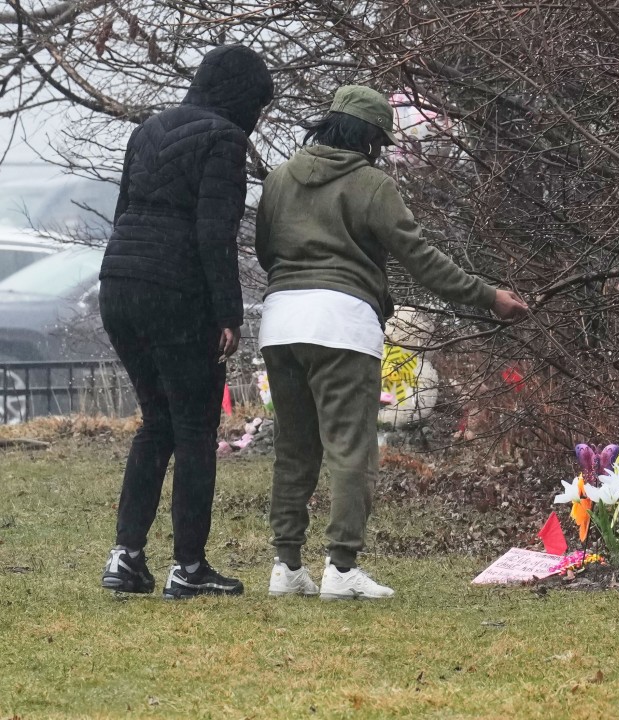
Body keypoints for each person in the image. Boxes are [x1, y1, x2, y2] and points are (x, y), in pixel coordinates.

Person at [255, 85, 529, 600]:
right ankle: (341, 568)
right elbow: (420, 258)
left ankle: (286, 566)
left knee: (294, 449)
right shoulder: (372, 185)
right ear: (371, 139)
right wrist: (488, 296)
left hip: (281, 322)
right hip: (342, 325)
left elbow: (265, 249)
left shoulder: (278, 178)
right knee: (350, 449)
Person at [98, 45, 273, 599]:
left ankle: (126, 557)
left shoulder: (148, 129)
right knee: (195, 428)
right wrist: (228, 313)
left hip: (119, 284)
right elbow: (215, 232)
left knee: (157, 423)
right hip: (175, 292)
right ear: (244, 97)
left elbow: (124, 212)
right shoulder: (224, 139)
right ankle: (189, 567)